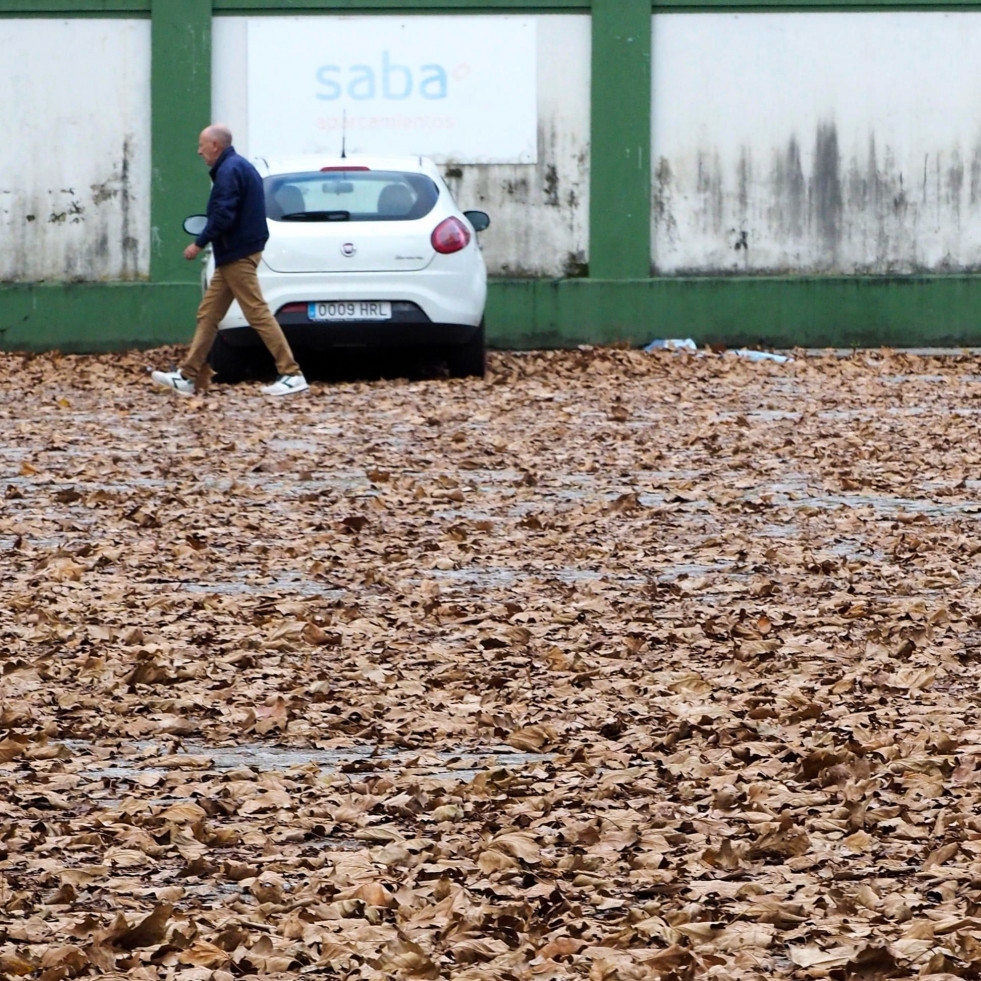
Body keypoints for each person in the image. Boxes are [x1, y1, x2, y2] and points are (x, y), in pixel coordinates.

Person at [151, 124, 308, 397]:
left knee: (256, 312)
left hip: (237, 253)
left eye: (202, 145)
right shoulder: (239, 167)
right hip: (235, 253)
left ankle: (291, 373)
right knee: (209, 314)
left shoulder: (229, 171)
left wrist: (198, 243)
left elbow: (223, 215)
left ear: (215, 146)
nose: (199, 151)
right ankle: (187, 377)